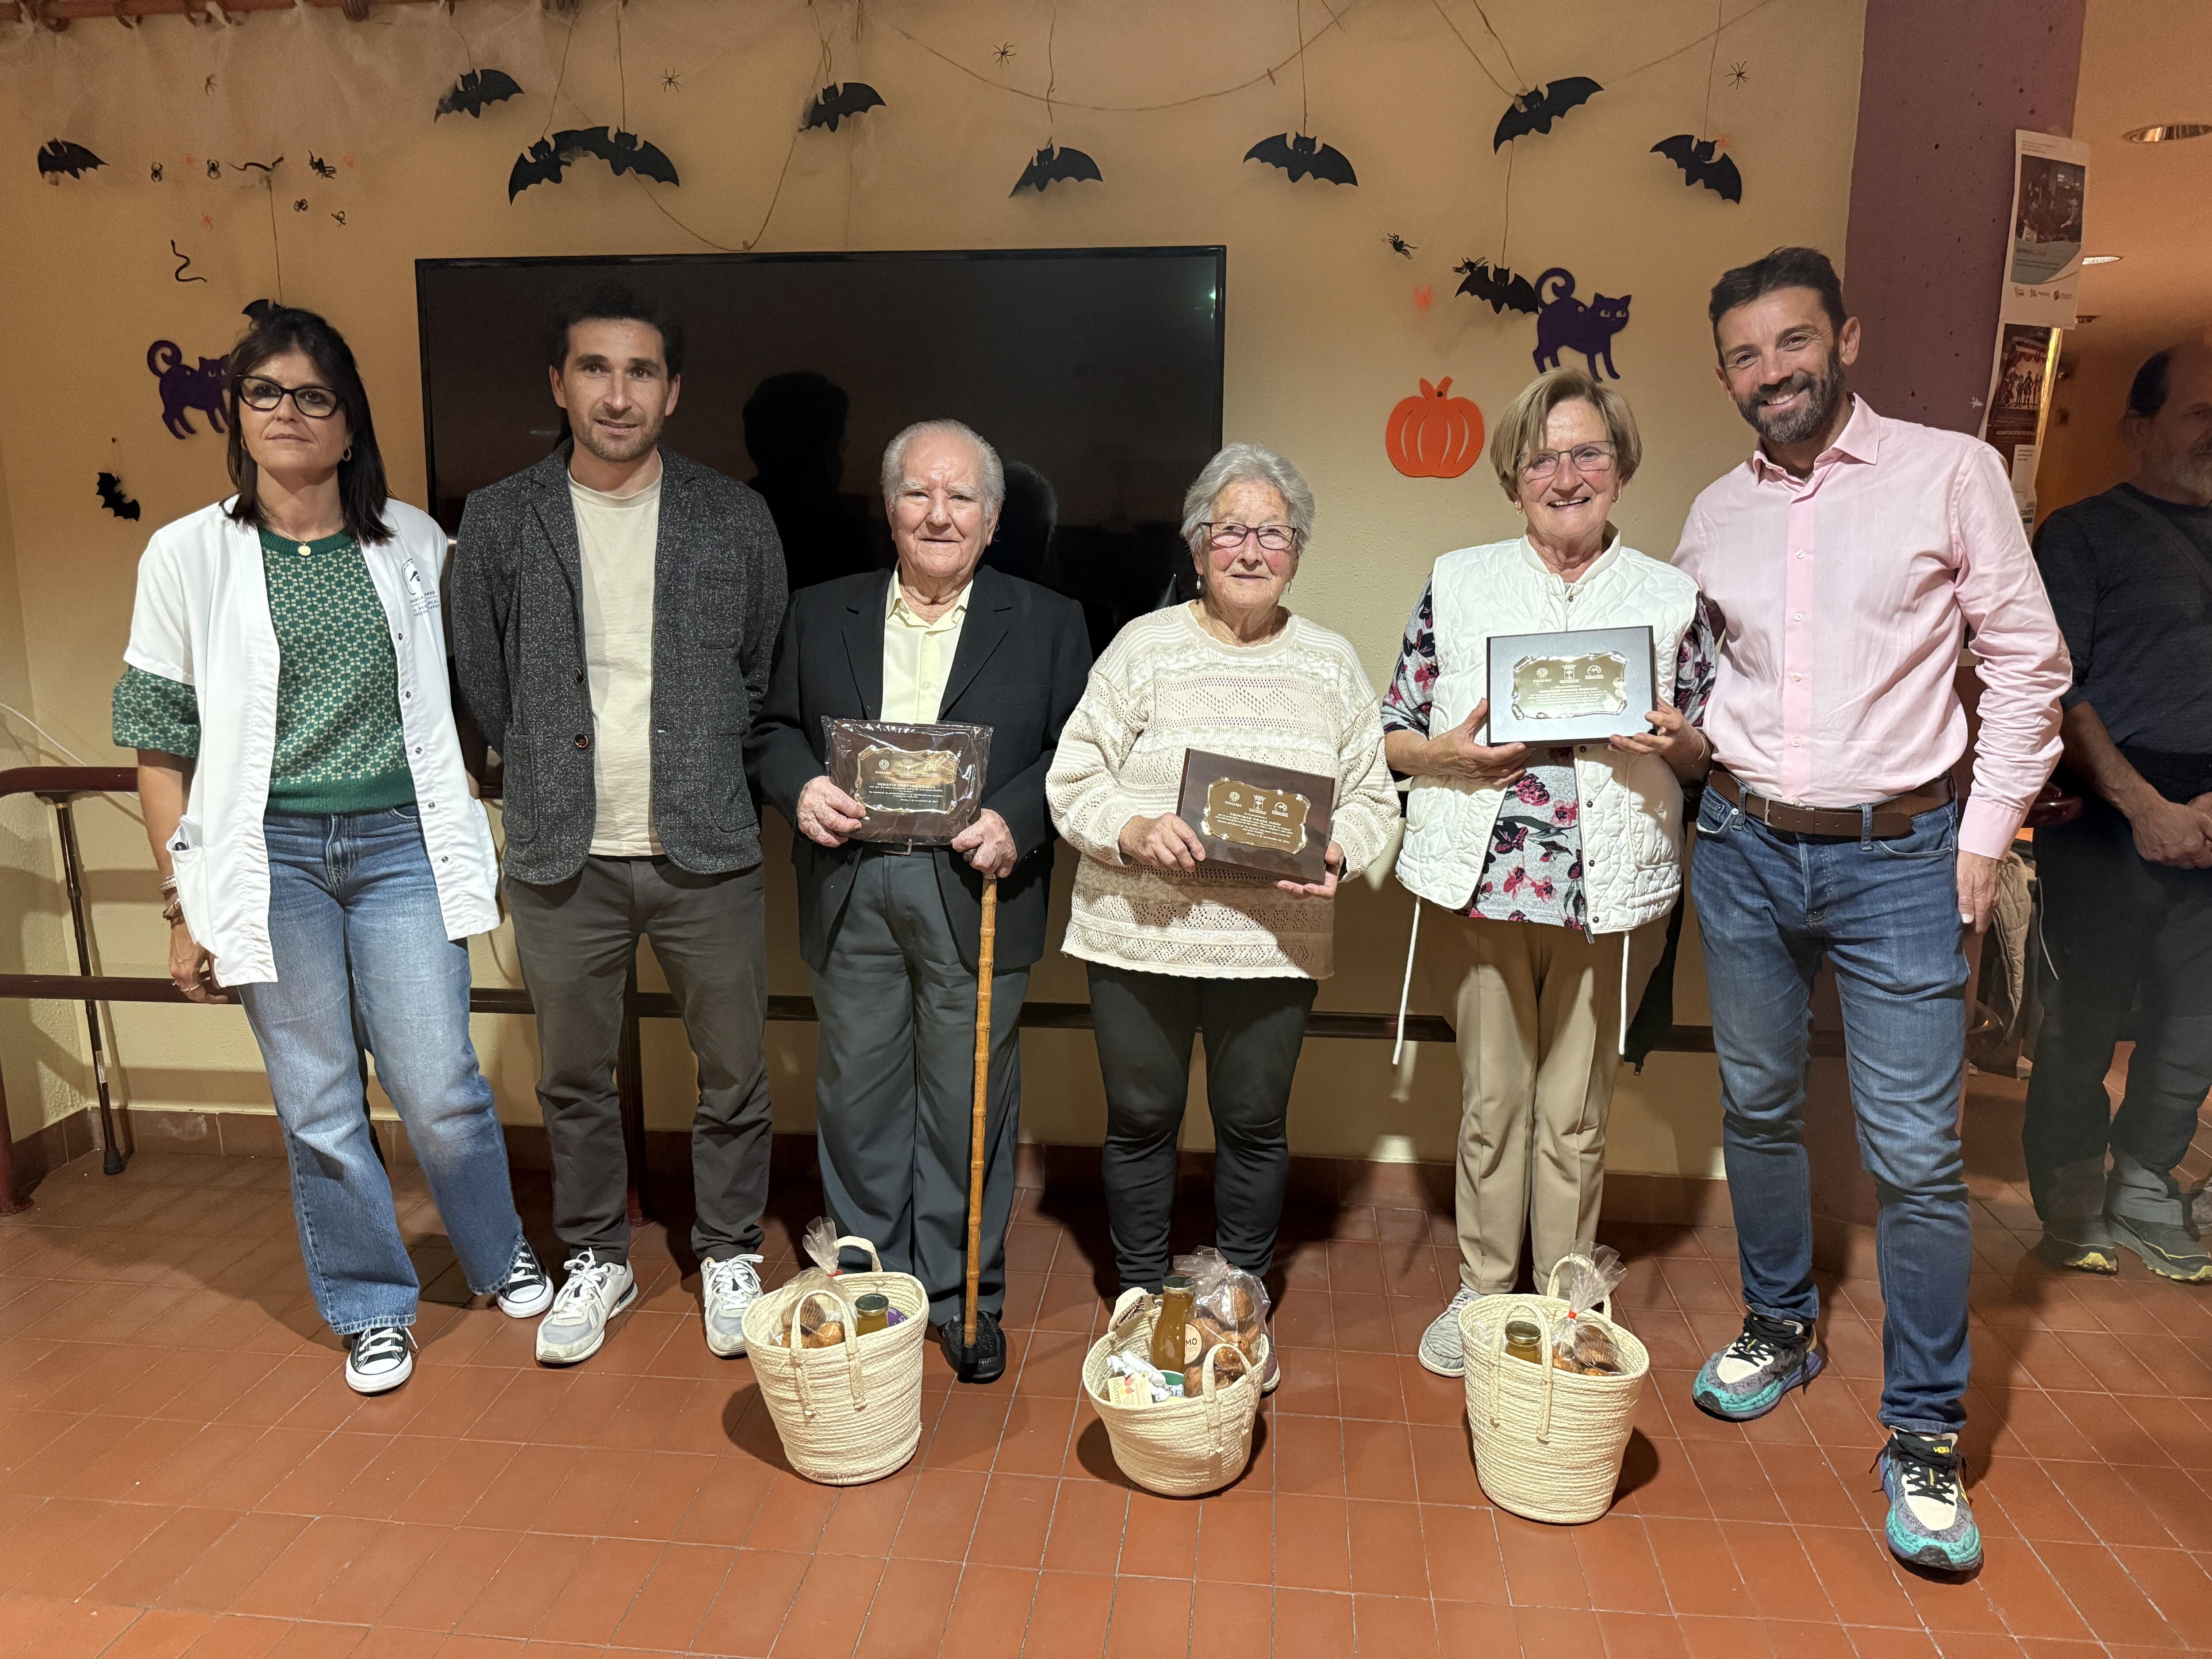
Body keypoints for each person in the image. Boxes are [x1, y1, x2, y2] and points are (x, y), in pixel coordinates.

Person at [1675, 247, 2069, 1574]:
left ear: (1845, 338)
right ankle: (1781, 1323)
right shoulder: (1713, 513)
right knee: (1757, 1105)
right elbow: (1695, 681)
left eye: (1793, 341)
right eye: (1744, 354)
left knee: (1913, 1154)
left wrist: (1982, 832)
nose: (1772, 370)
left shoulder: (1951, 473)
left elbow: (2029, 667)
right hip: (1741, 846)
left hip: (1902, 857)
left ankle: (1924, 1430)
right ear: (1724, 375)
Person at [113, 306, 547, 1395]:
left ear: (350, 425)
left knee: (438, 1082)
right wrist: (183, 906)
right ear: (237, 413)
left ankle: (496, 1252)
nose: (289, 413)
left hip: (402, 845)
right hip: (270, 861)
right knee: (317, 1100)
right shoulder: (186, 555)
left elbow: (476, 691)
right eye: (265, 393)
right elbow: (159, 746)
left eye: (315, 396)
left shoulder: (415, 543)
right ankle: (370, 1306)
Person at [450, 284, 788, 1367]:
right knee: (571, 1077)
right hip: (564, 847)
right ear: (558, 383)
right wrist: (547, 766)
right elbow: (483, 677)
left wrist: (701, 760)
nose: (616, 393)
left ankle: (729, 1248)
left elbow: (760, 669)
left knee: (733, 1069)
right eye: (594, 369)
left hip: (707, 846)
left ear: (672, 391)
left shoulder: (733, 517)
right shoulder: (500, 517)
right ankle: (596, 1256)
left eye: (640, 371)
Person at [1381, 368, 1716, 1380]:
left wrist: (1675, 741)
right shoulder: (1458, 580)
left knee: (1575, 1112)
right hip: (1483, 881)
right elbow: (1393, 733)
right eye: (1541, 459)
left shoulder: (1669, 596)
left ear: (1620, 468)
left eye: (1587, 454)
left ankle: (1568, 1297)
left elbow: (1709, 754)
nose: (1565, 477)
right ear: (1512, 476)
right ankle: (1485, 1291)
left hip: (1609, 890)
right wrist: (1447, 756)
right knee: (1493, 1101)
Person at [747, 419, 1091, 1382]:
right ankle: (872, 1290)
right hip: (851, 882)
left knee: (965, 1102)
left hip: (978, 888)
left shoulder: (1049, 620)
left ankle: (959, 1296)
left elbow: (1079, 749)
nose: (939, 514)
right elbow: (771, 729)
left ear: (993, 518)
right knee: (857, 1100)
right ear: (889, 508)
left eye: (961, 497)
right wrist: (800, 787)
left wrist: (1018, 817)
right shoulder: (821, 611)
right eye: (918, 493)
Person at [1046, 444, 1398, 1370]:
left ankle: (1240, 1303)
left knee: (1253, 1125)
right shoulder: (1143, 646)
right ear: (1198, 545)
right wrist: (1132, 828)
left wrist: (1340, 848)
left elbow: (1374, 797)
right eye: (1230, 529)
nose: (1250, 550)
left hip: (1272, 946)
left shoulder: (1330, 663)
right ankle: (1141, 1299)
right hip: (1139, 935)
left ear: (1297, 552)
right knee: (1141, 1120)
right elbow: (1073, 776)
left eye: (1272, 533)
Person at [2022, 340, 2212, 1284]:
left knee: (2196, 1021)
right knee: (2081, 1019)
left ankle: (2145, 1180)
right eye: (2199, 413)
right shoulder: (2082, 534)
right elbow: (2057, 683)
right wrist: (2144, 806)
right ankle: (2069, 1193)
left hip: (2210, 812)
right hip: (2106, 811)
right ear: (2139, 427)